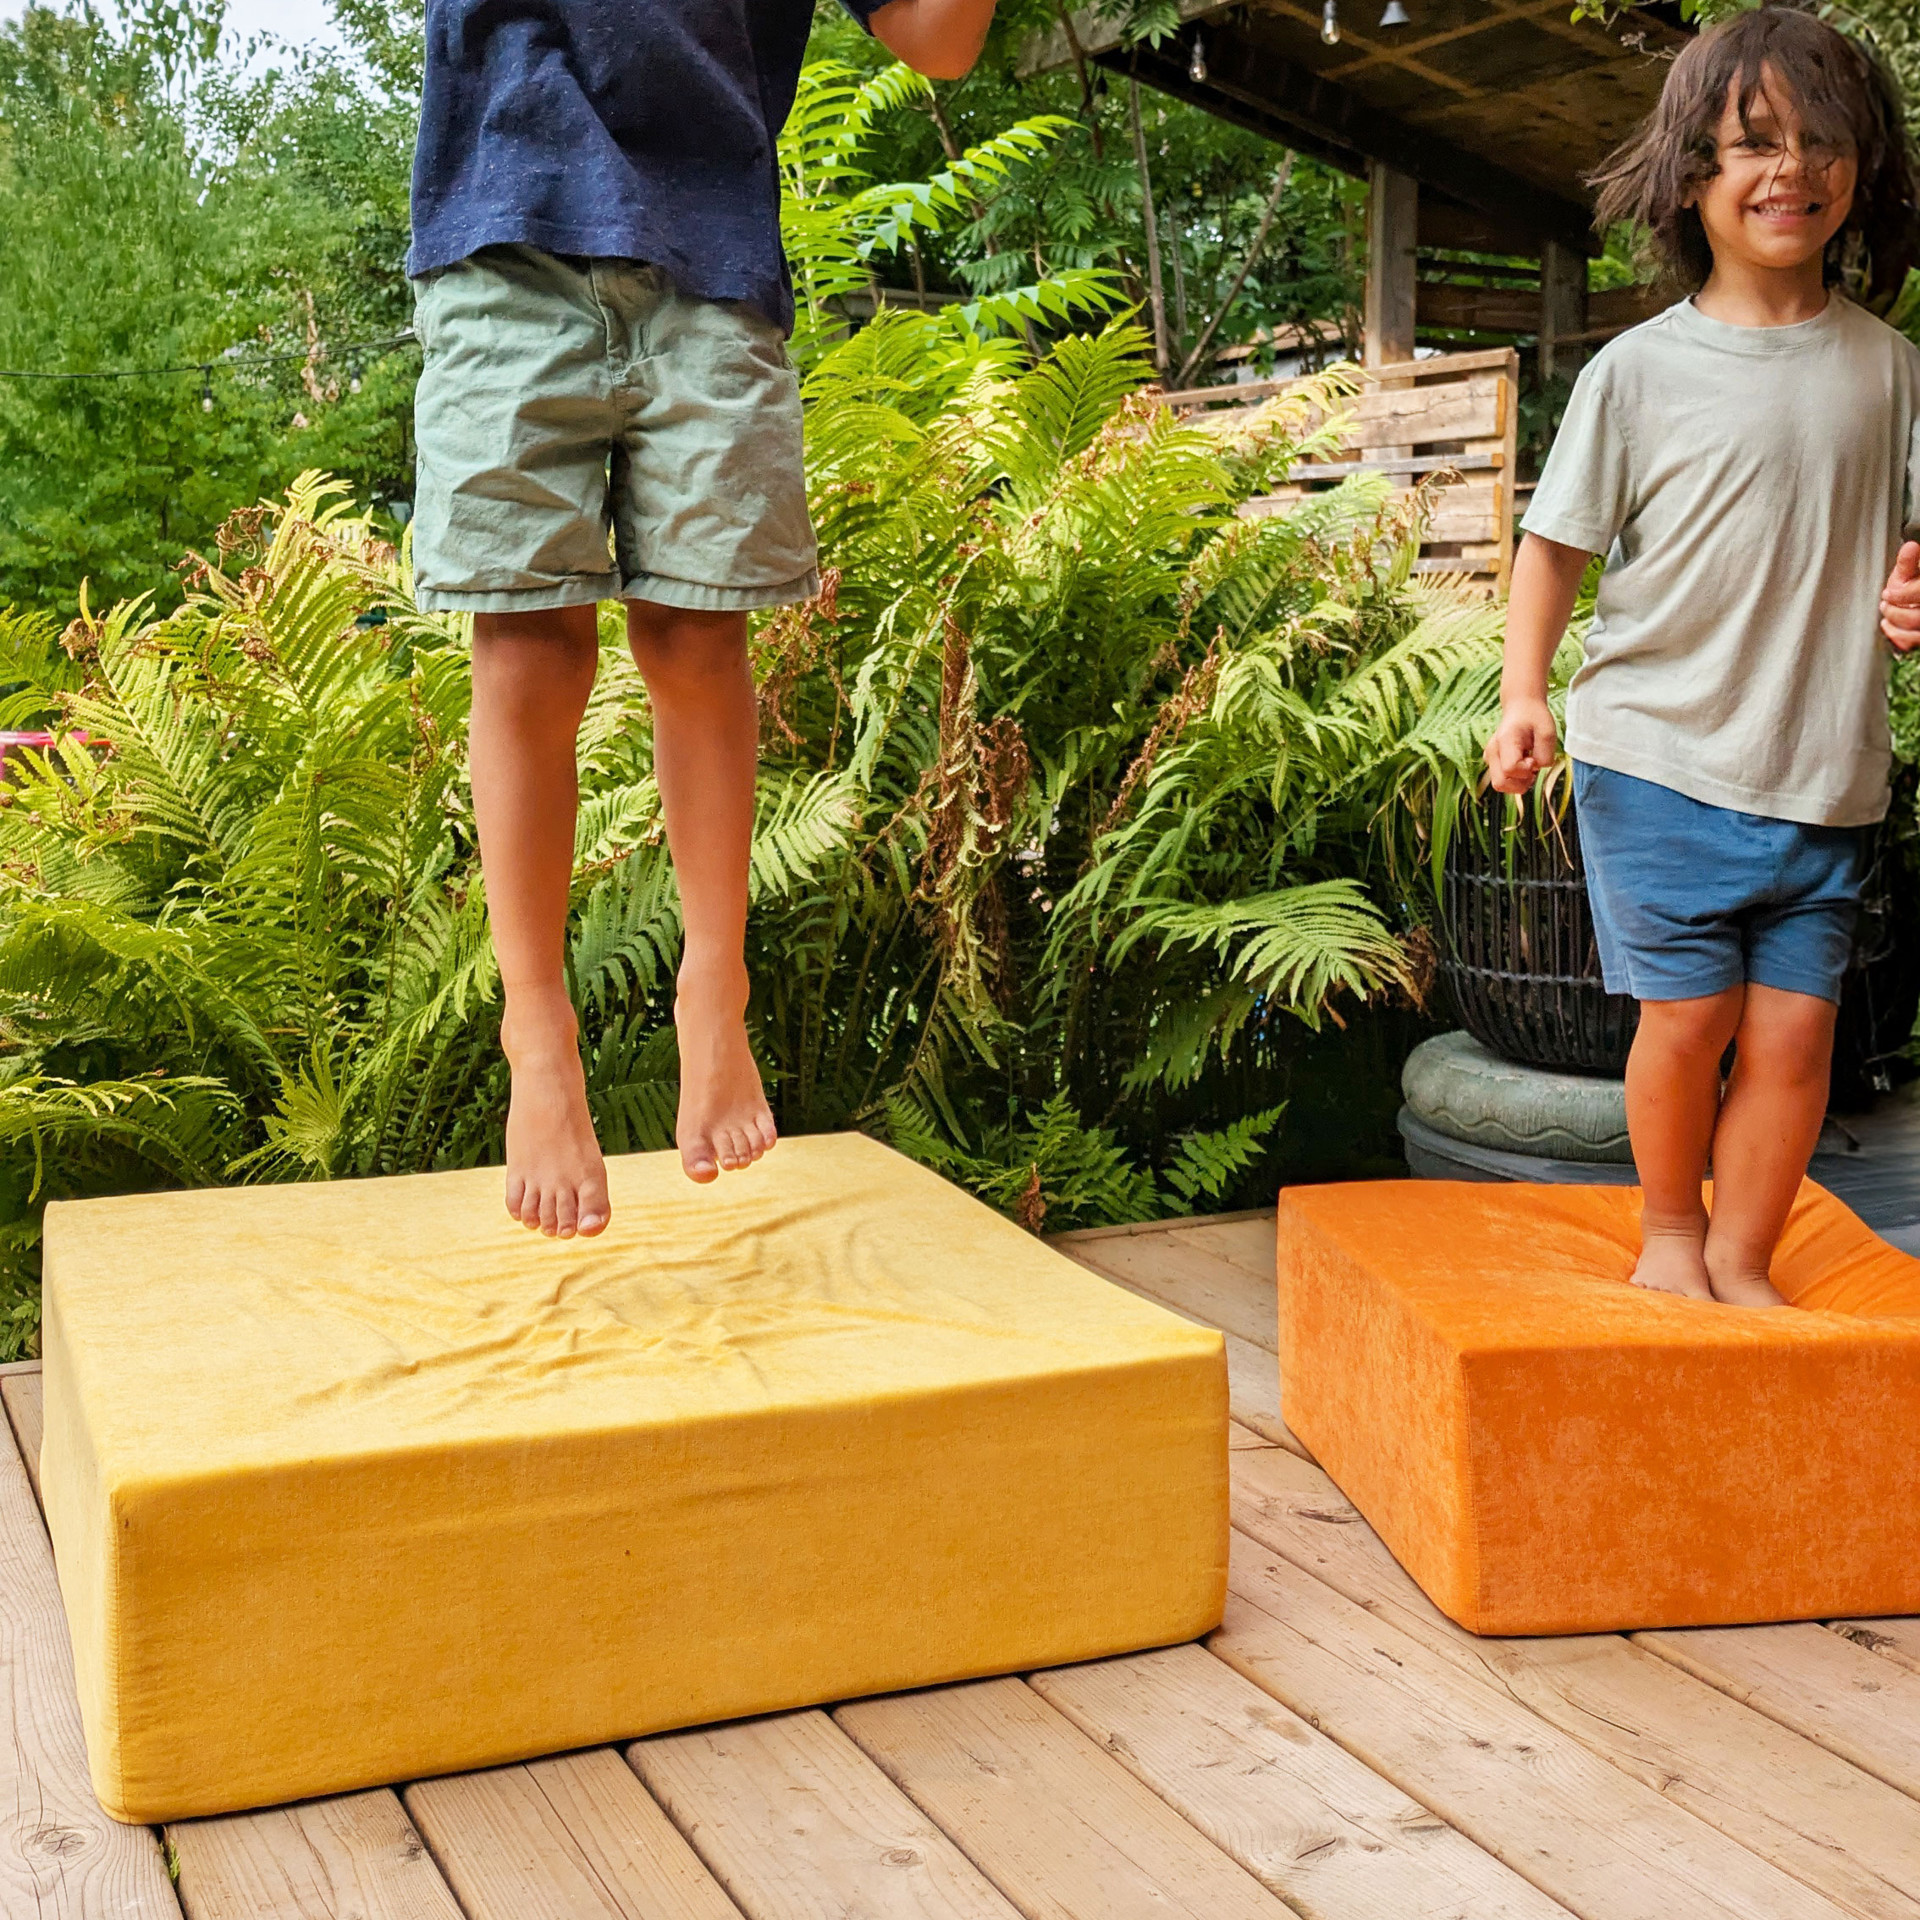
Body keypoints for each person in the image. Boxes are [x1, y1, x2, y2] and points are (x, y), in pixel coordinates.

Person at [407, 0, 998, 1237]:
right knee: (526, 645)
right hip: (505, 226)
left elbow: (941, 39)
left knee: (697, 633)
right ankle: (537, 1033)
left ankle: (714, 988)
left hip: (711, 252)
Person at [1486, 6, 1920, 1307]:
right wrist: (1523, 696)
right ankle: (1673, 1234)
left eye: (1825, 139)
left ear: (1864, 171)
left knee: (1797, 1040)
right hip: (1659, 757)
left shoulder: (1894, 373)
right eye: (1757, 141)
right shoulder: (1636, 374)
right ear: (1691, 175)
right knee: (1689, 1020)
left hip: (1826, 771)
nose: (1795, 167)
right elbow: (1553, 548)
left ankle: (1741, 1262)